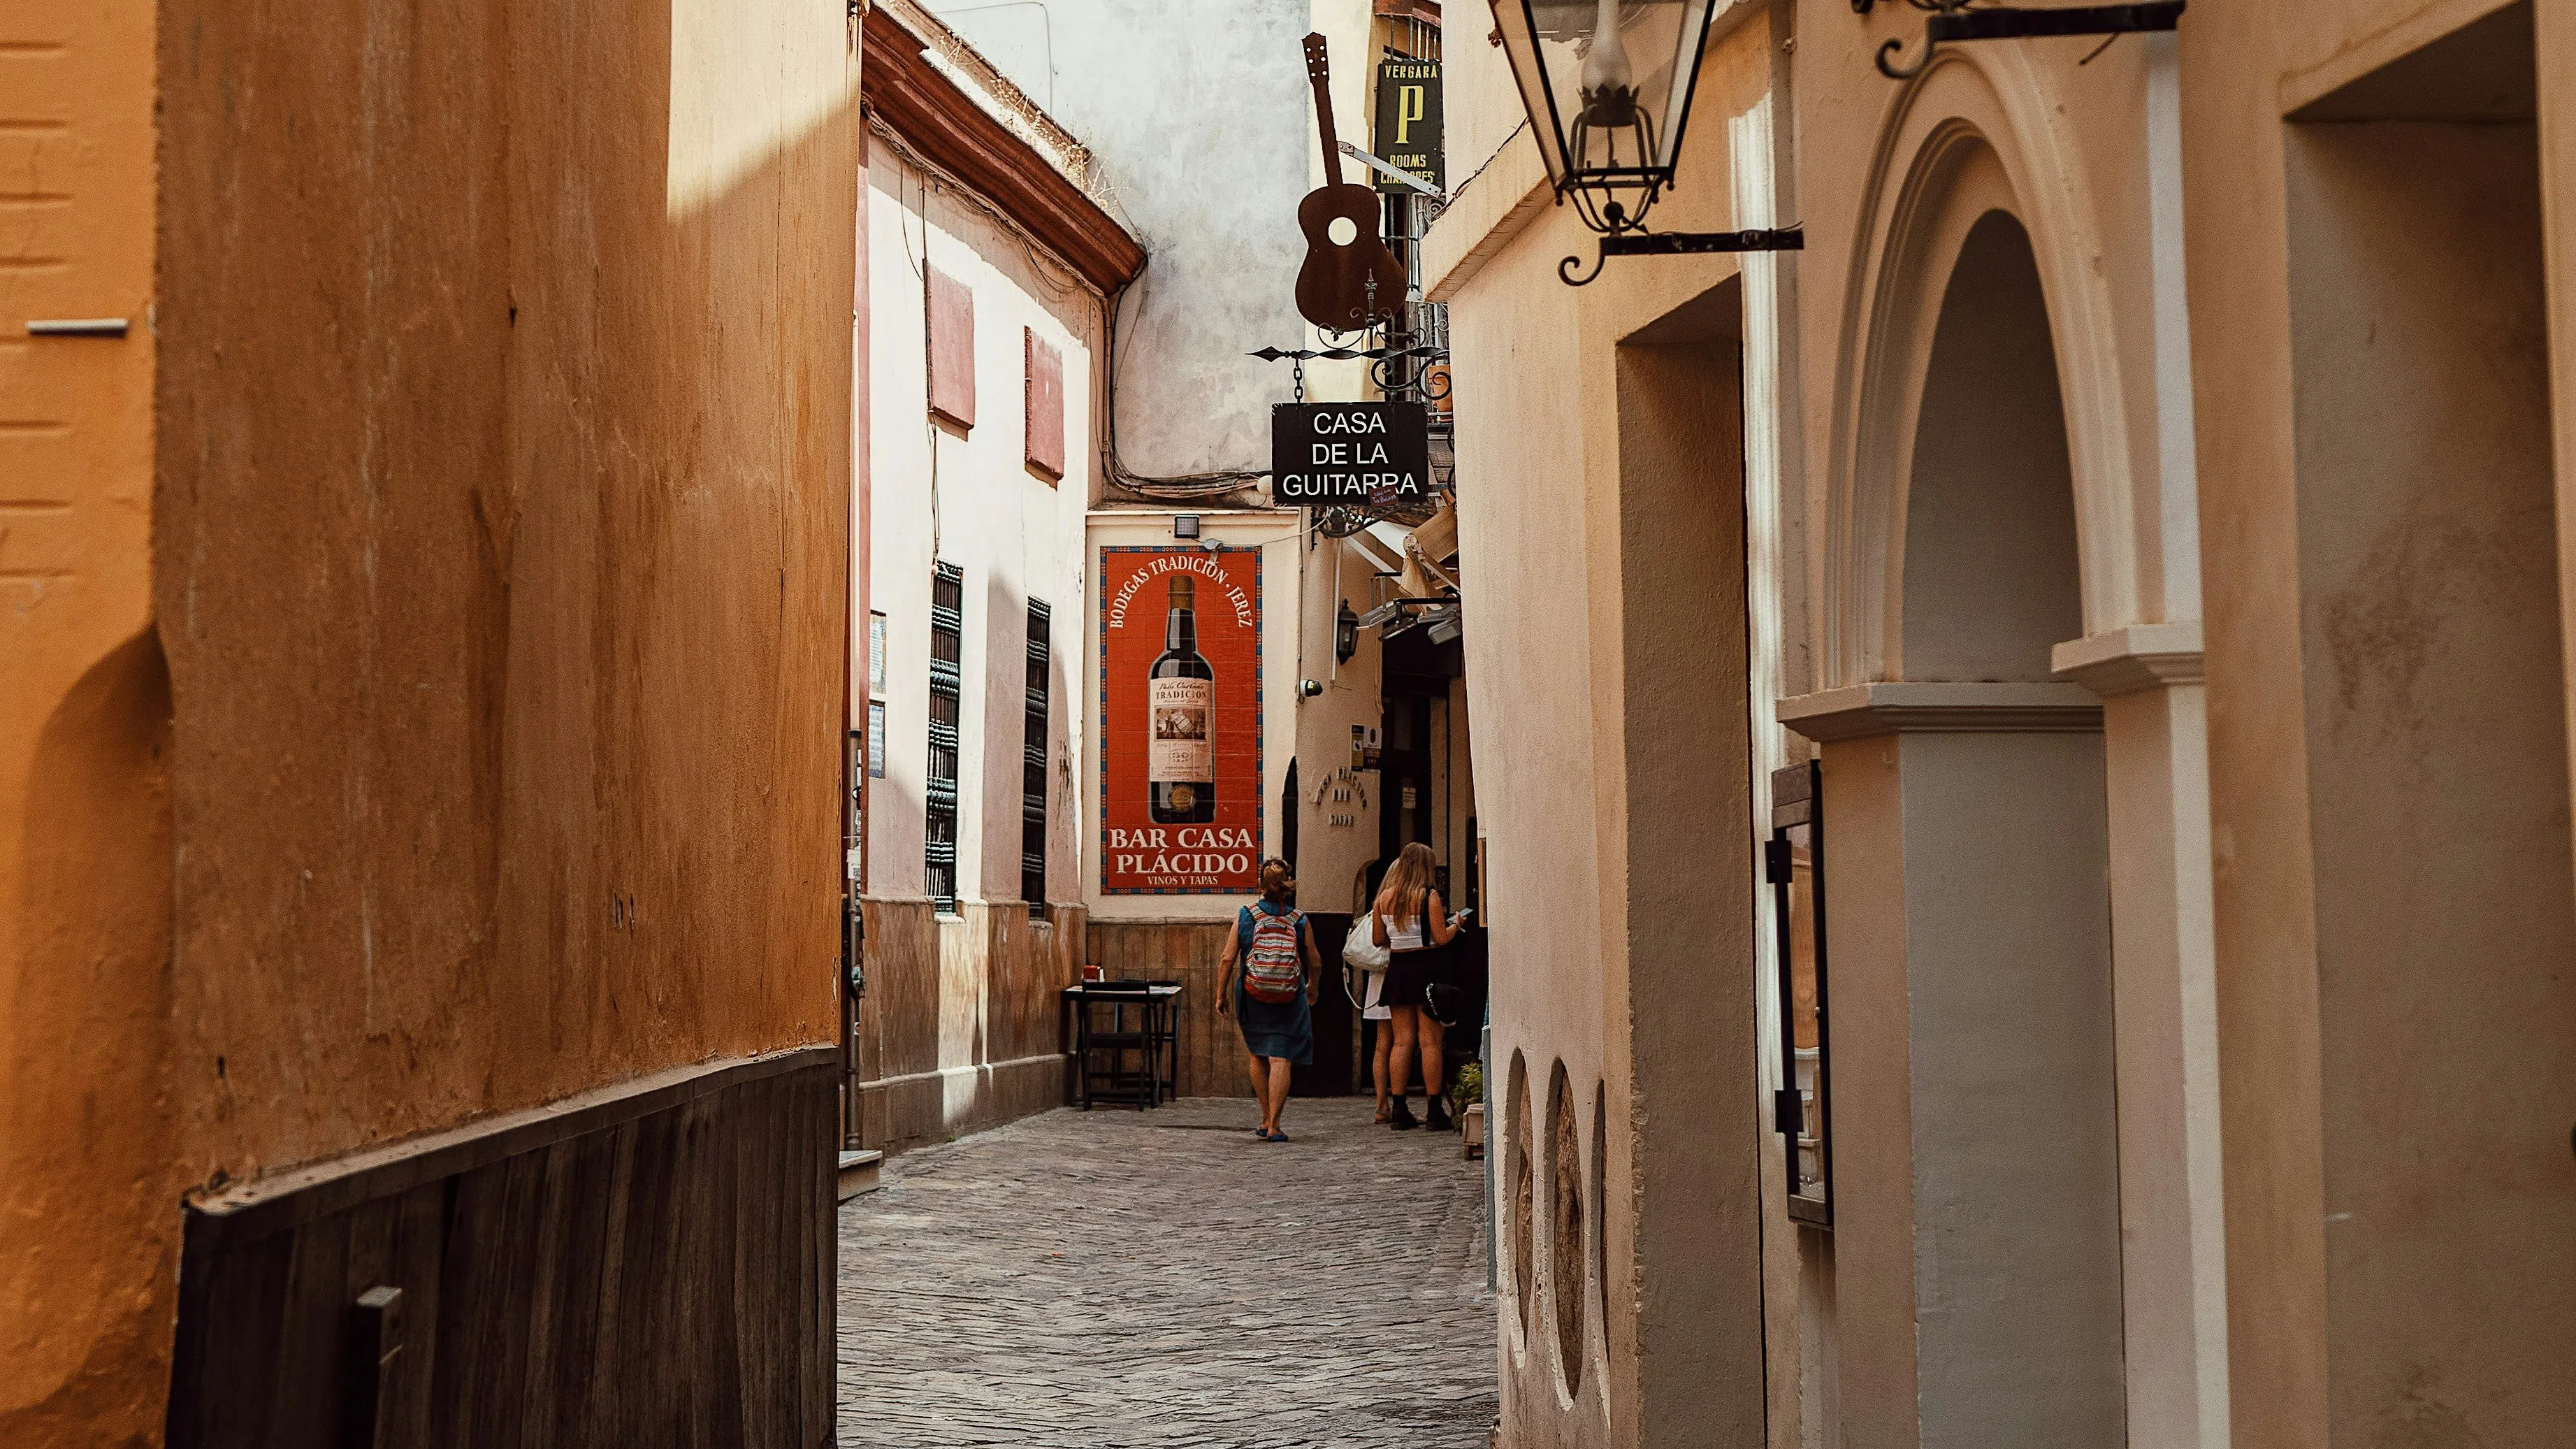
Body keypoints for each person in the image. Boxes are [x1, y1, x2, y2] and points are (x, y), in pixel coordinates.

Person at [1217, 858, 1322, 1141]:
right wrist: (1312, 987)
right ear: (1287, 883)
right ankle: (1275, 1125)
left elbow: (1228, 958)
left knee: (1257, 1053)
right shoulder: (1299, 919)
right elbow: (1315, 960)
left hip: (1253, 995)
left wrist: (1220, 995)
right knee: (1281, 1057)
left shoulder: (1246, 914)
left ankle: (1264, 1117)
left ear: (1262, 883)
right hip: (1289, 996)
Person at [1371, 842, 1463, 1131]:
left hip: (1398, 970)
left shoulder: (1384, 898)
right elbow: (1441, 936)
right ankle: (1434, 1109)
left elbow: (1377, 940)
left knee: (1401, 1042)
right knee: (1430, 1042)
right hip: (1426, 969)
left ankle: (1398, 1108)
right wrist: (1456, 923)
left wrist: (1400, 937)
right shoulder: (1429, 897)